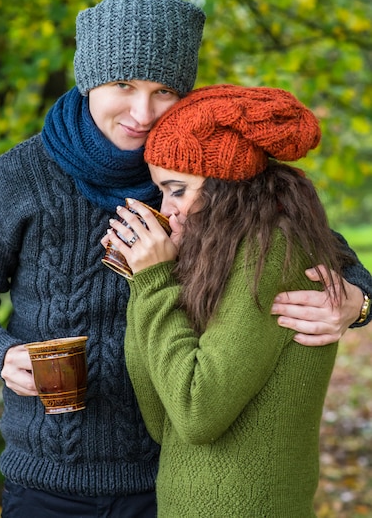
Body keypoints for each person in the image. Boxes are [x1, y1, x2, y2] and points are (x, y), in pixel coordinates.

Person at [0, 0, 369, 516]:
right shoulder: (21, 177)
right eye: (123, 84)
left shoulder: (202, 171)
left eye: (164, 90)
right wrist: (0, 355)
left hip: (175, 478)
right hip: (48, 480)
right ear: (89, 80)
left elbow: (323, 251)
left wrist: (357, 302)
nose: (142, 111)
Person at [106, 84, 370, 517]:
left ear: (225, 185)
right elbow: (161, 420)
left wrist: (153, 282)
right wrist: (143, 280)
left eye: (177, 189)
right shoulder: (219, 257)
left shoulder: (273, 254)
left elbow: (195, 413)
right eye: (161, 192)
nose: (167, 210)